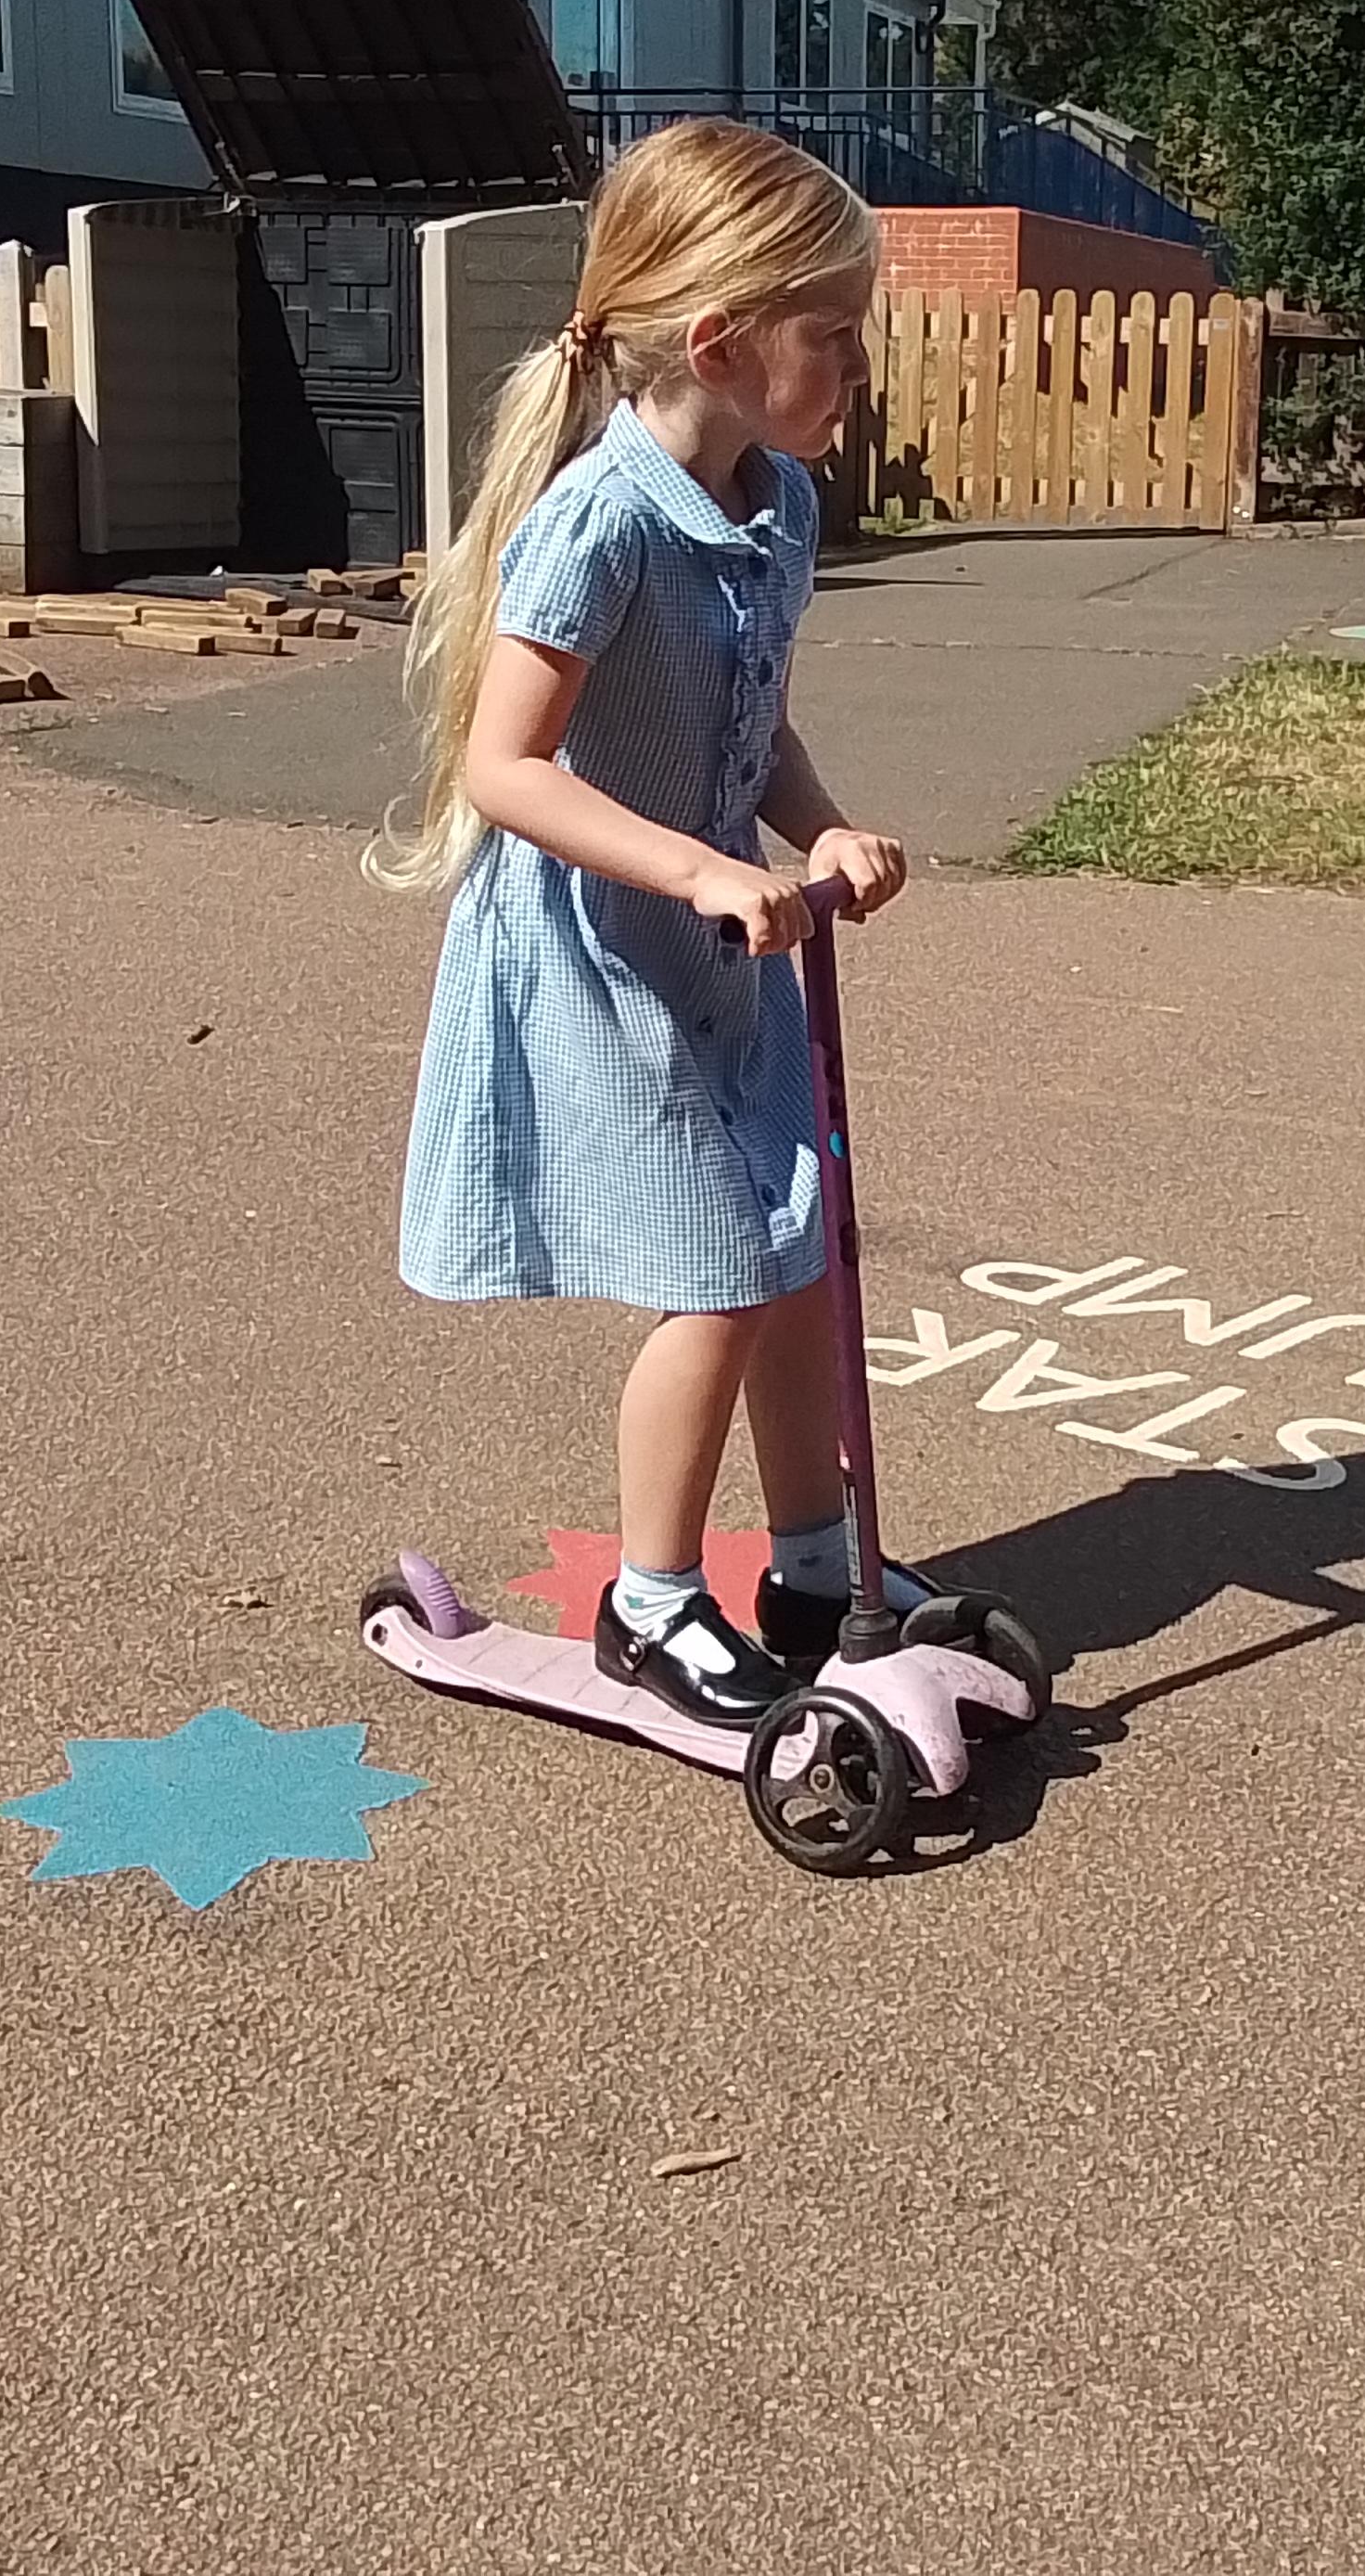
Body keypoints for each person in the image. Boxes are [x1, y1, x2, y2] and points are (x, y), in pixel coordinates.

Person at [370, 119, 927, 1727]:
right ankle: (654, 1602)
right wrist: (697, 870)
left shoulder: (779, 502)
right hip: (599, 955)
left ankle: (813, 1565)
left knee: (798, 1246)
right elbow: (505, 766)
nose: (859, 368)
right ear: (720, 343)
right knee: (722, 1269)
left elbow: (755, 721)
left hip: (728, 942)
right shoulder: (600, 522)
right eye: (836, 335)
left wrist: (817, 830)